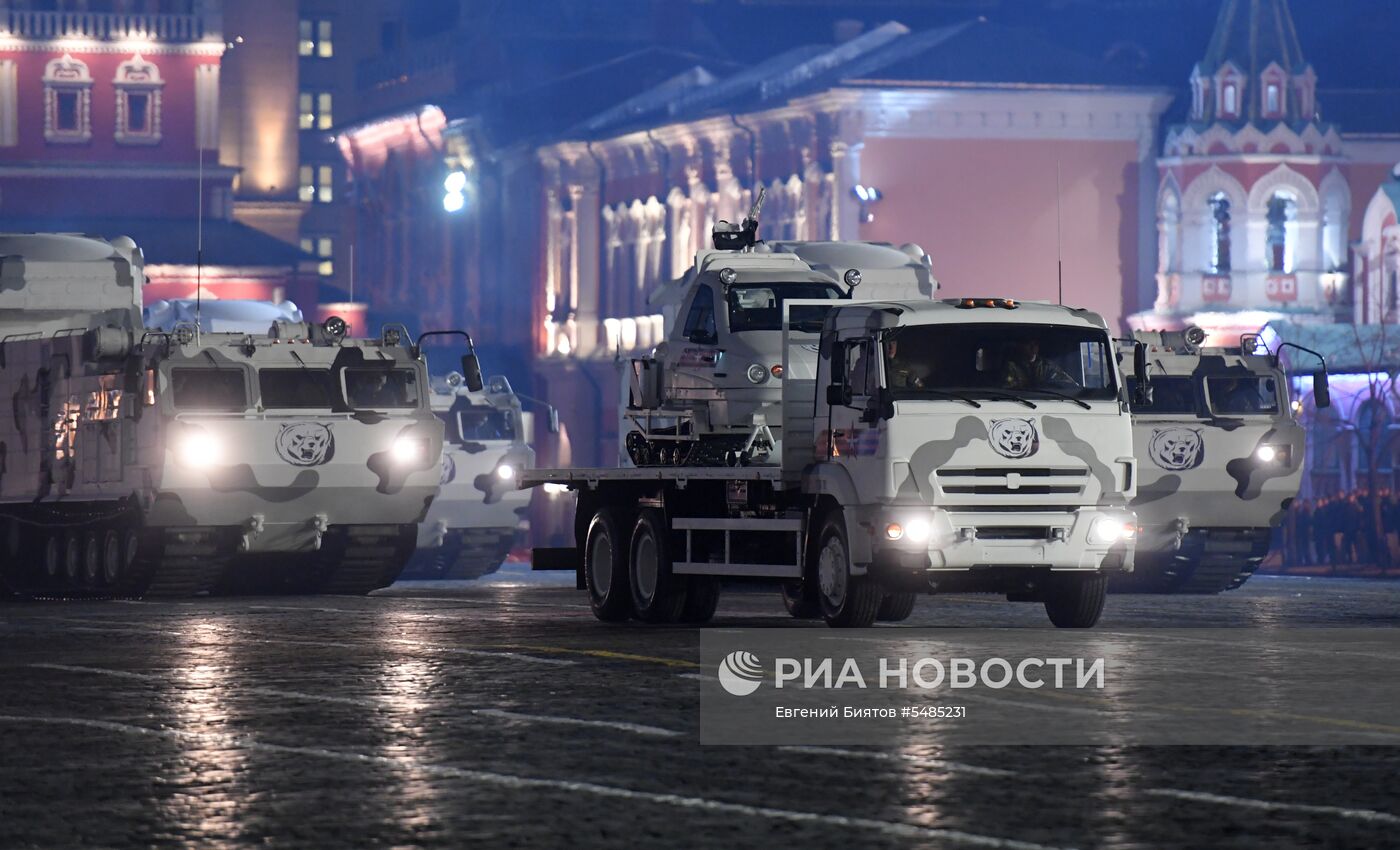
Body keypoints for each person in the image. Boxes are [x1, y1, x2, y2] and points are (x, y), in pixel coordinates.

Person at [1001, 338, 1073, 390]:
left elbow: (1067, 384)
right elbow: (1006, 387)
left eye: (1035, 344)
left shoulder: (1047, 366)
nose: (1033, 347)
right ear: (1021, 346)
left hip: (1046, 399)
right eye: (1028, 344)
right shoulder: (1011, 365)